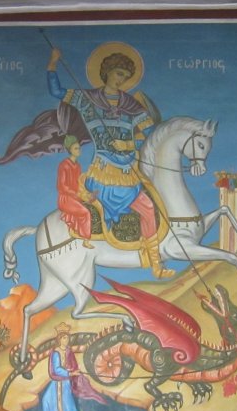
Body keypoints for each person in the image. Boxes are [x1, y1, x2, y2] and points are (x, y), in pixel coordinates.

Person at [46, 46, 174, 279]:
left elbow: (150, 133)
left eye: (125, 77)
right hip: (103, 172)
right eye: (118, 73)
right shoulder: (88, 100)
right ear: (106, 72)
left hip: (128, 173)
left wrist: (131, 143)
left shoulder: (131, 105)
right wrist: (52, 63)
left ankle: (156, 265)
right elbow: (56, 91)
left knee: (148, 208)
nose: (121, 80)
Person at [40, 322, 106, 411]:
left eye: (67, 338)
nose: (67, 340)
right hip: (57, 382)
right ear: (59, 339)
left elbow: (72, 365)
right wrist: (70, 373)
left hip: (65, 382)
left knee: (66, 402)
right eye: (64, 338)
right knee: (47, 399)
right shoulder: (56, 352)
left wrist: (74, 371)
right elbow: (56, 369)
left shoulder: (68, 351)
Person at [57, 135, 94, 249]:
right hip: (66, 198)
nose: (79, 150)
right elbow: (62, 186)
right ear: (70, 150)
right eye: (76, 148)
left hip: (75, 197)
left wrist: (85, 193)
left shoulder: (77, 165)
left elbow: (78, 184)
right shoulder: (64, 165)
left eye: (79, 148)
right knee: (86, 212)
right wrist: (77, 194)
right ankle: (86, 240)